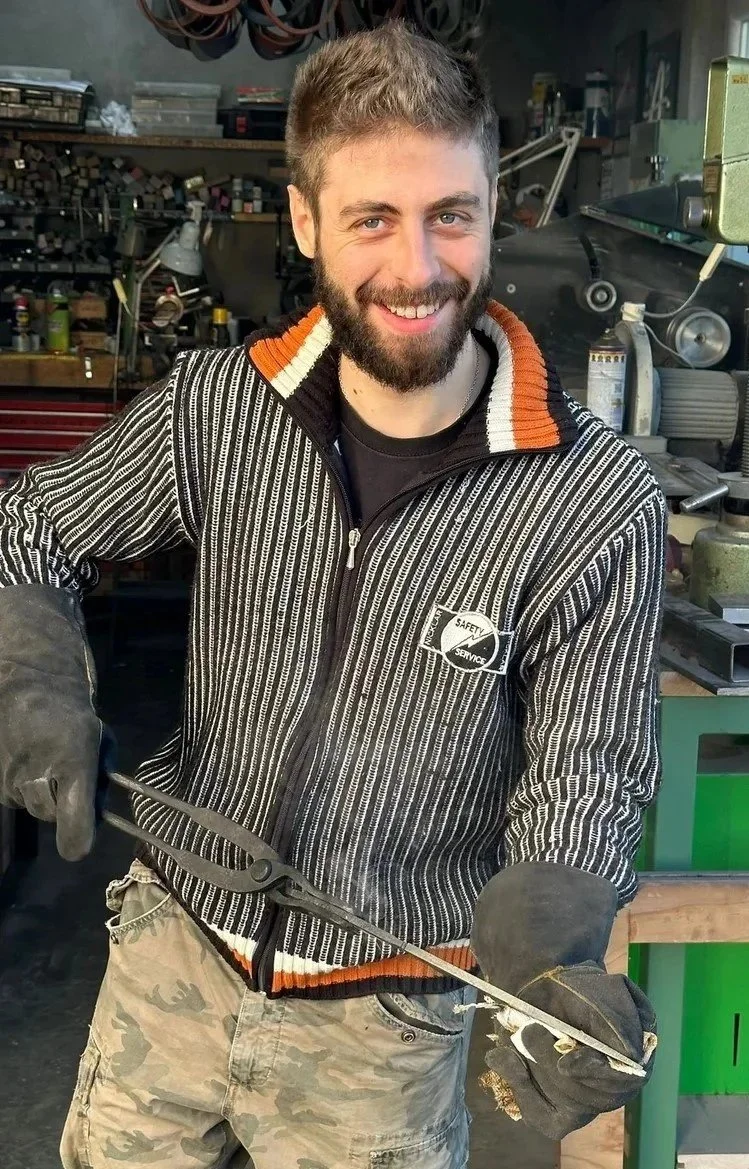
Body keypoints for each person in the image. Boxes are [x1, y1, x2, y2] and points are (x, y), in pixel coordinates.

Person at [0, 21, 665, 1169]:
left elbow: (583, 770)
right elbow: (32, 527)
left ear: (489, 213)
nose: (415, 269)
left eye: (448, 215)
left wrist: (551, 957)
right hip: (171, 950)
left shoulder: (592, 499)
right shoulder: (218, 406)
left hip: (387, 1020)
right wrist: (35, 674)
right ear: (304, 222)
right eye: (372, 219)